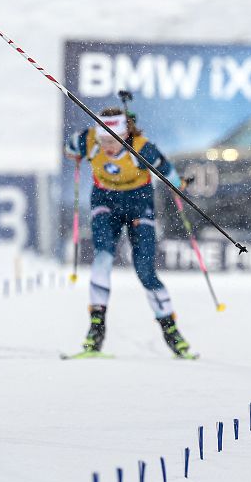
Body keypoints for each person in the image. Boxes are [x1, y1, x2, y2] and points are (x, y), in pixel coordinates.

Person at [65, 101, 194, 359]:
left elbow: (168, 171)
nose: (109, 148)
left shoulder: (142, 148)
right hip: (105, 203)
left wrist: (179, 185)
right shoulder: (88, 141)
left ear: (126, 134)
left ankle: (172, 333)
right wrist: (75, 155)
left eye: (114, 141)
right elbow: (70, 149)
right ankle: (95, 333)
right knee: (102, 257)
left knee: (145, 270)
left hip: (138, 205)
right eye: (104, 141)